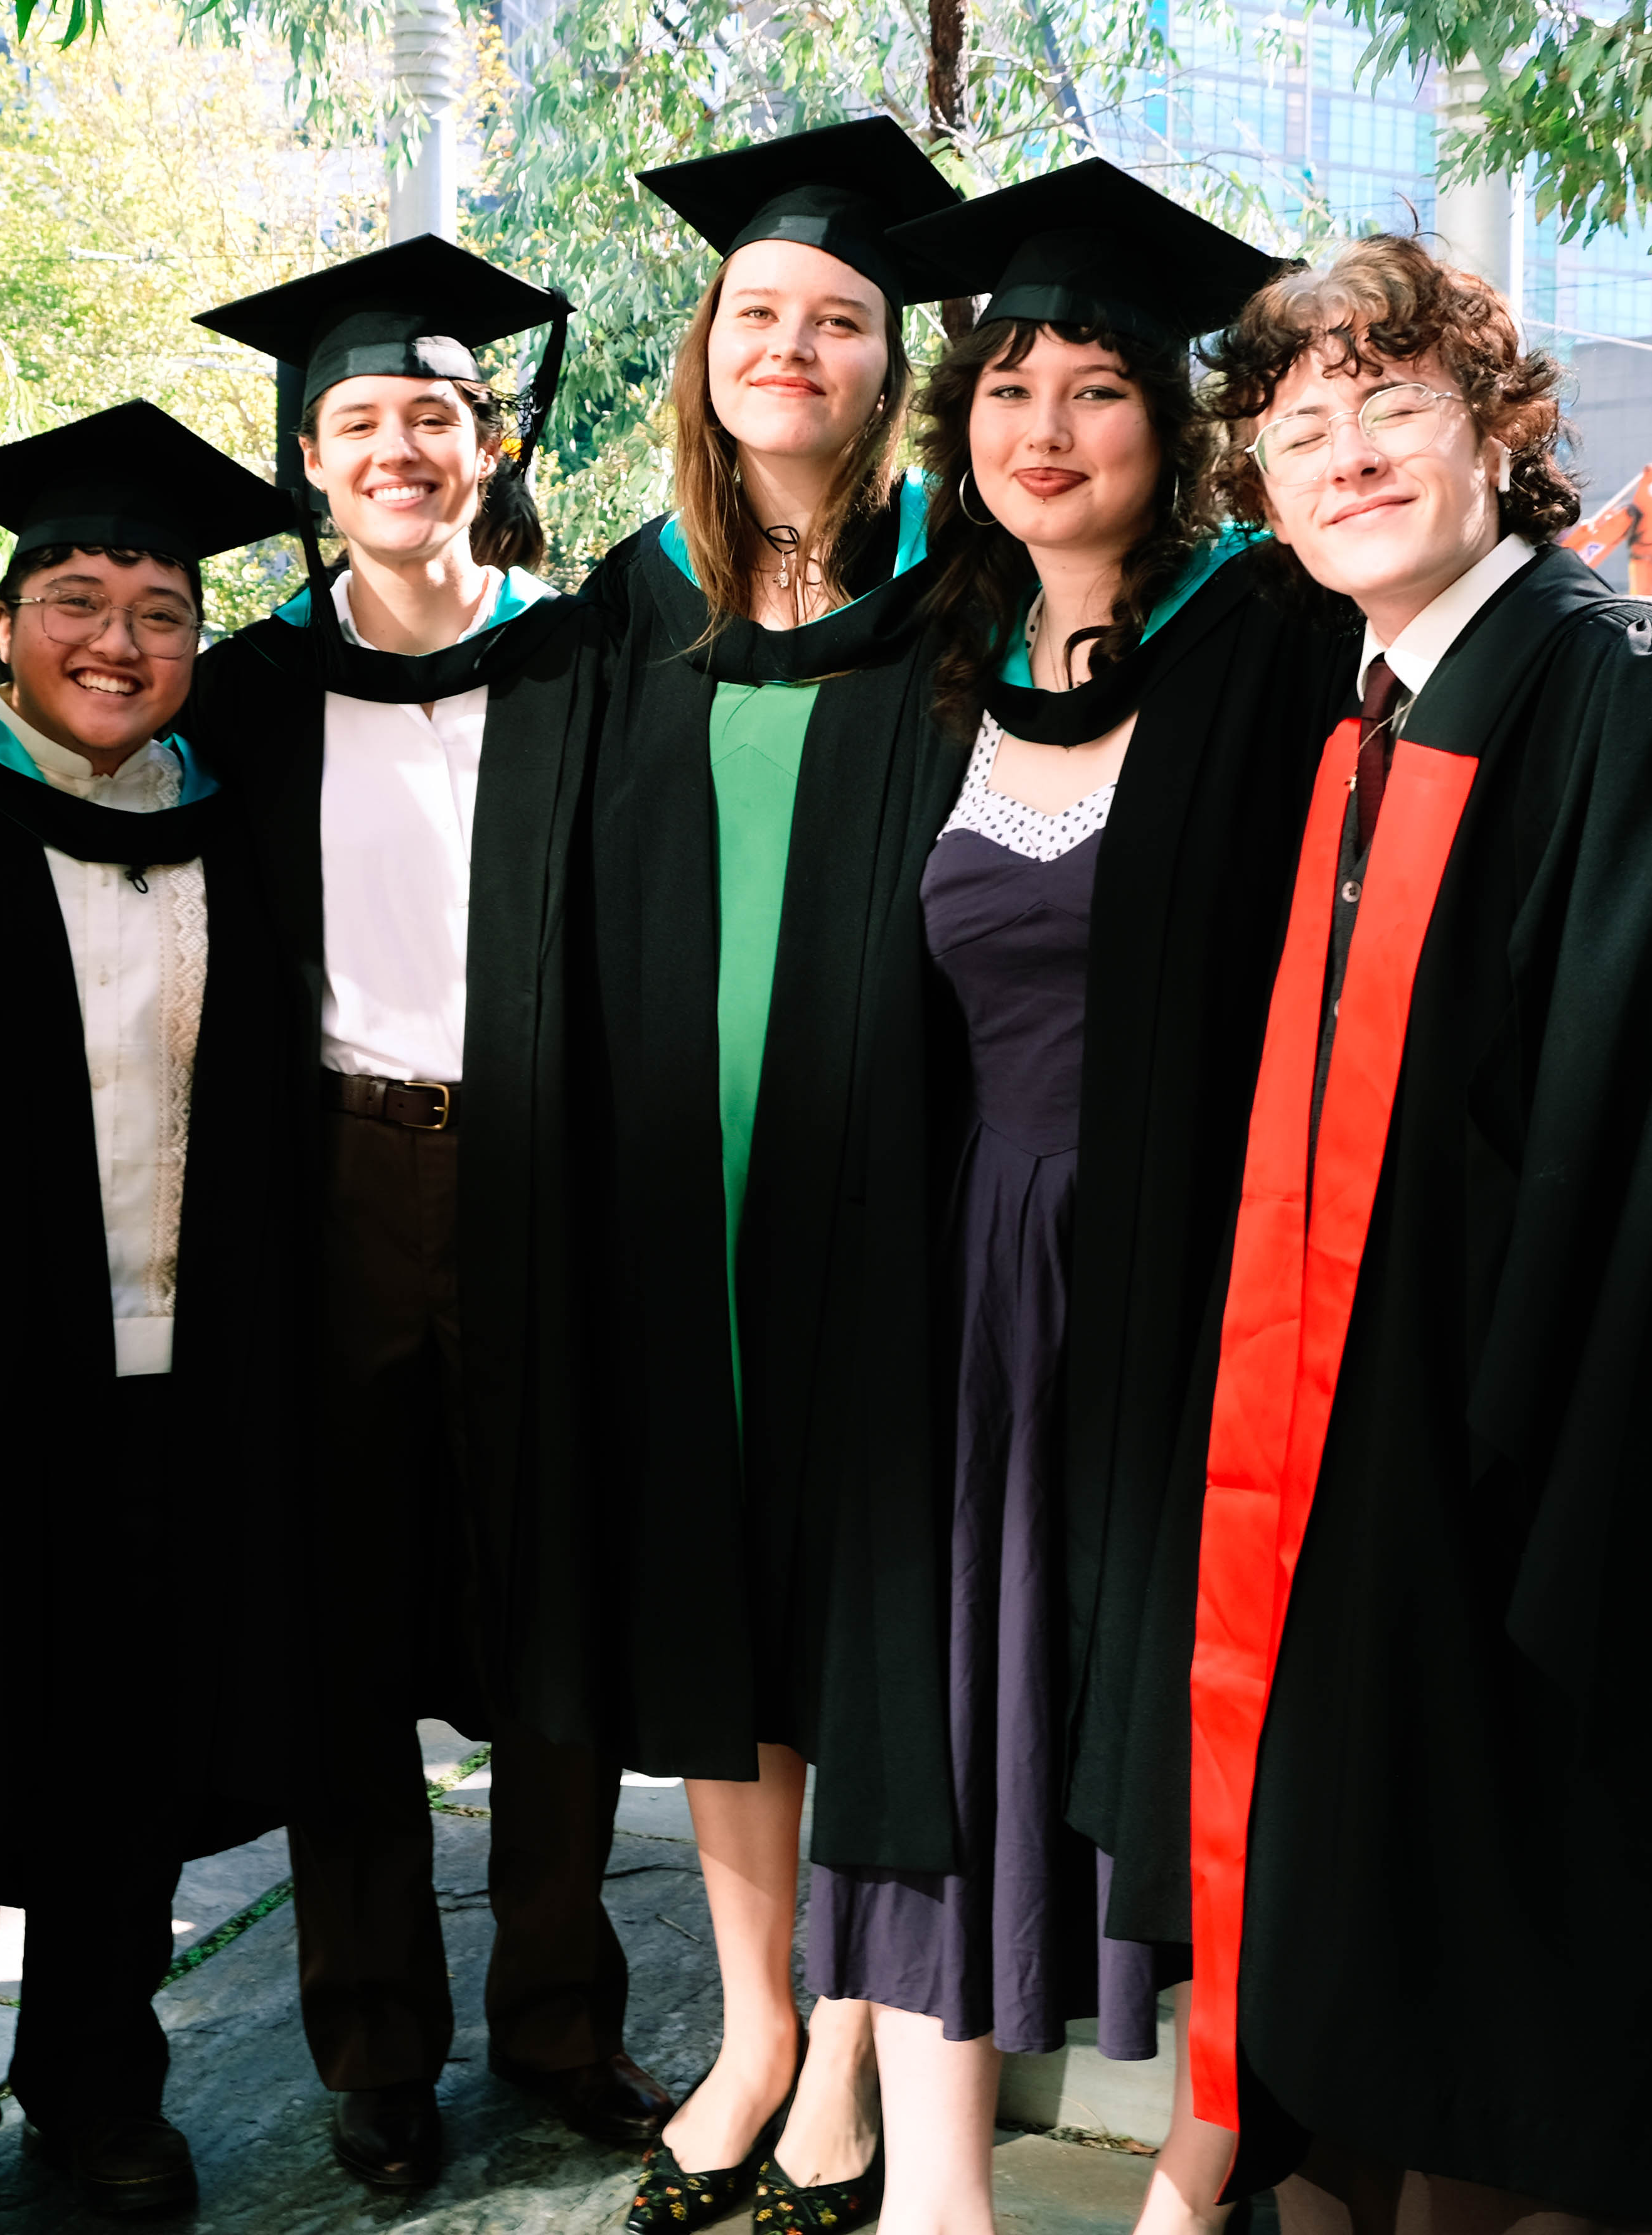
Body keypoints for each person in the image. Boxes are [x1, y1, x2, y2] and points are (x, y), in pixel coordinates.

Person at [1166, 235, 1652, 2232]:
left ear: (1500, 432)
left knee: (1535, 1945)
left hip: (1542, 1453)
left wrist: (1512, 1453)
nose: (1346, 453)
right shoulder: (1363, 722)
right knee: (1393, 1923)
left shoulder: (1637, 689)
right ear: (1263, 491)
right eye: (1302, 430)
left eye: (1393, 406)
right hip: (1372, 1446)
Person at [776, 161, 1333, 2235]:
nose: (1046, 427)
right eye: (1010, 385)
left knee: (1173, 1699)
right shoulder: (936, 652)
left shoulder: (1269, 644)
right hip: (967, 1272)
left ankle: (1204, 2163)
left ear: (1171, 433)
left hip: (1191, 1273)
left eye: (1099, 389)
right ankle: (939, 2189)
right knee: (940, 1703)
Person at [186, 240, 677, 2190]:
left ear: (491, 444)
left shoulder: (588, 663)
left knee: (555, 1604)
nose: (402, 449)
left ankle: (563, 2023)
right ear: (312, 459)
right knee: (339, 1622)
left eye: (436, 418)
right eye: (363, 422)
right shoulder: (242, 690)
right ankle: (375, 2046)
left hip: (543, 1173)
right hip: (324, 1178)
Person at [0, 401, 318, 2235]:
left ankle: (106, 2086)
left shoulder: (229, 828)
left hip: (166, 1376)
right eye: (79, 600)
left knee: (121, 1750)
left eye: (165, 610)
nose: (120, 643)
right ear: (5, 625)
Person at [583, 116, 966, 2235]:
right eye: (759, 312)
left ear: (887, 361)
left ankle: (848, 2055)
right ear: (707, 344)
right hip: (679, 1219)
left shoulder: (964, 590)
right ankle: (750, 2018)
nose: (791, 343)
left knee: (863, 1631)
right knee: (724, 1643)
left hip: (890, 1209)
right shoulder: (627, 612)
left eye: (836, 317)